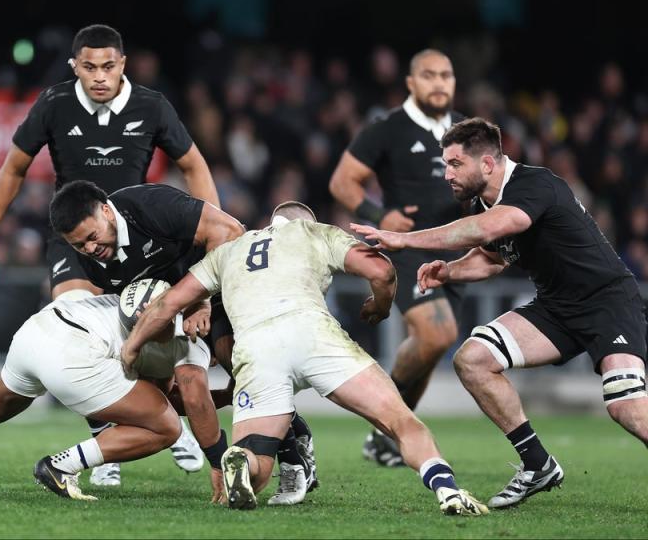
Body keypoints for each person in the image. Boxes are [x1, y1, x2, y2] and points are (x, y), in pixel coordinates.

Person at [350, 117, 648, 509]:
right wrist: (450, 270)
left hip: (606, 300)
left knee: (625, 406)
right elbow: (491, 259)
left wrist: (404, 240)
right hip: (557, 308)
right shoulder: (485, 201)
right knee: (473, 360)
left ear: (487, 164)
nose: (447, 174)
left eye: (455, 164)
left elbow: (485, 228)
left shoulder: (533, 185)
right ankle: (537, 465)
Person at [0, 24, 218, 485]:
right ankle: (108, 449)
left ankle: (165, 416)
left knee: (149, 333)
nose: (99, 76)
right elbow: (14, 167)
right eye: (88, 67)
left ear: (123, 64)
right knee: (74, 320)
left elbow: (193, 165)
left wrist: (209, 226)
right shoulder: (54, 103)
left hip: (136, 238)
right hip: (74, 240)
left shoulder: (152, 105)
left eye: (107, 66)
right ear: (74, 67)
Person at [120, 202, 487, 515]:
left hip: (256, 349)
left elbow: (169, 302)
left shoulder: (229, 251)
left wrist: (132, 346)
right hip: (313, 334)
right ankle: (447, 489)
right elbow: (382, 271)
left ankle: (240, 461)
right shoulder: (315, 233)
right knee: (399, 420)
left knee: (258, 466)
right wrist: (380, 305)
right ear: (303, 221)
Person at [50, 180, 323, 504]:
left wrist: (202, 299)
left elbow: (231, 231)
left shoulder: (150, 206)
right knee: (160, 399)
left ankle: (294, 458)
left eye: (92, 237)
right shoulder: (92, 264)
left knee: (243, 367)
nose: (90, 249)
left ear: (107, 211)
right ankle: (243, 446)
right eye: (80, 245)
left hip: (226, 286)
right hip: (175, 312)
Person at [0, 293, 225, 503]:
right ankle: (61, 466)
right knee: (167, 429)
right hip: (75, 351)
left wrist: (221, 396)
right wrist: (216, 460)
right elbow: (192, 403)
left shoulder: (144, 300)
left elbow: (167, 399)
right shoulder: (191, 336)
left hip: (38, 329)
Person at [329, 49, 467, 467]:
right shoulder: (388, 128)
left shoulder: (465, 129)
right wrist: (378, 215)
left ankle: (385, 437)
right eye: (429, 75)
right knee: (437, 336)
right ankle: (381, 411)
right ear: (410, 83)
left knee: (426, 353)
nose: (439, 83)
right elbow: (342, 182)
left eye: (446, 74)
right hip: (408, 247)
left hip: (454, 247)